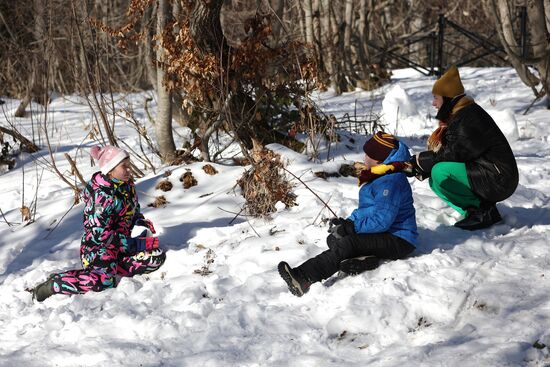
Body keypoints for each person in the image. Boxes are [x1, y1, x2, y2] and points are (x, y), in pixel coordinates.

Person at [278, 132, 418, 297]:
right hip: (384, 233)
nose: (364, 158)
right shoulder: (380, 176)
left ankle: (303, 278)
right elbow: (367, 210)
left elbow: (382, 220)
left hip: (399, 239)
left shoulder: (391, 181)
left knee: (348, 244)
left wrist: (352, 228)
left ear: (379, 160)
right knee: (334, 239)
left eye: (369, 155)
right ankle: (364, 260)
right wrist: (346, 223)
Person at [30, 145, 166, 302]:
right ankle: (54, 284)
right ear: (110, 169)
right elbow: (99, 234)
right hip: (97, 249)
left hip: (121, 247)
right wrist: (136, 245)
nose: (129, 170)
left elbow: (132, 212)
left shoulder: (127, 187)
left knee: (156, 258)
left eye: (129, 166)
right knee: (104, 282)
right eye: (124, 167)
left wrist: (140, 222)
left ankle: (114, 266)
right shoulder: (100, 197)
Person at [410, 65, 519, 230]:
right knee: (434, 179)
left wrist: (420, 161)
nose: (433, 103)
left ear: (447, 98)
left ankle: (482, 212)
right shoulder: (460, 114)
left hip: (500, 178)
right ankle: (475, 212)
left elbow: (455, 154)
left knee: (440, 172)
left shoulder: (468, 118)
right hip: (489, 172)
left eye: (436, 98)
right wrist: (419, 167)